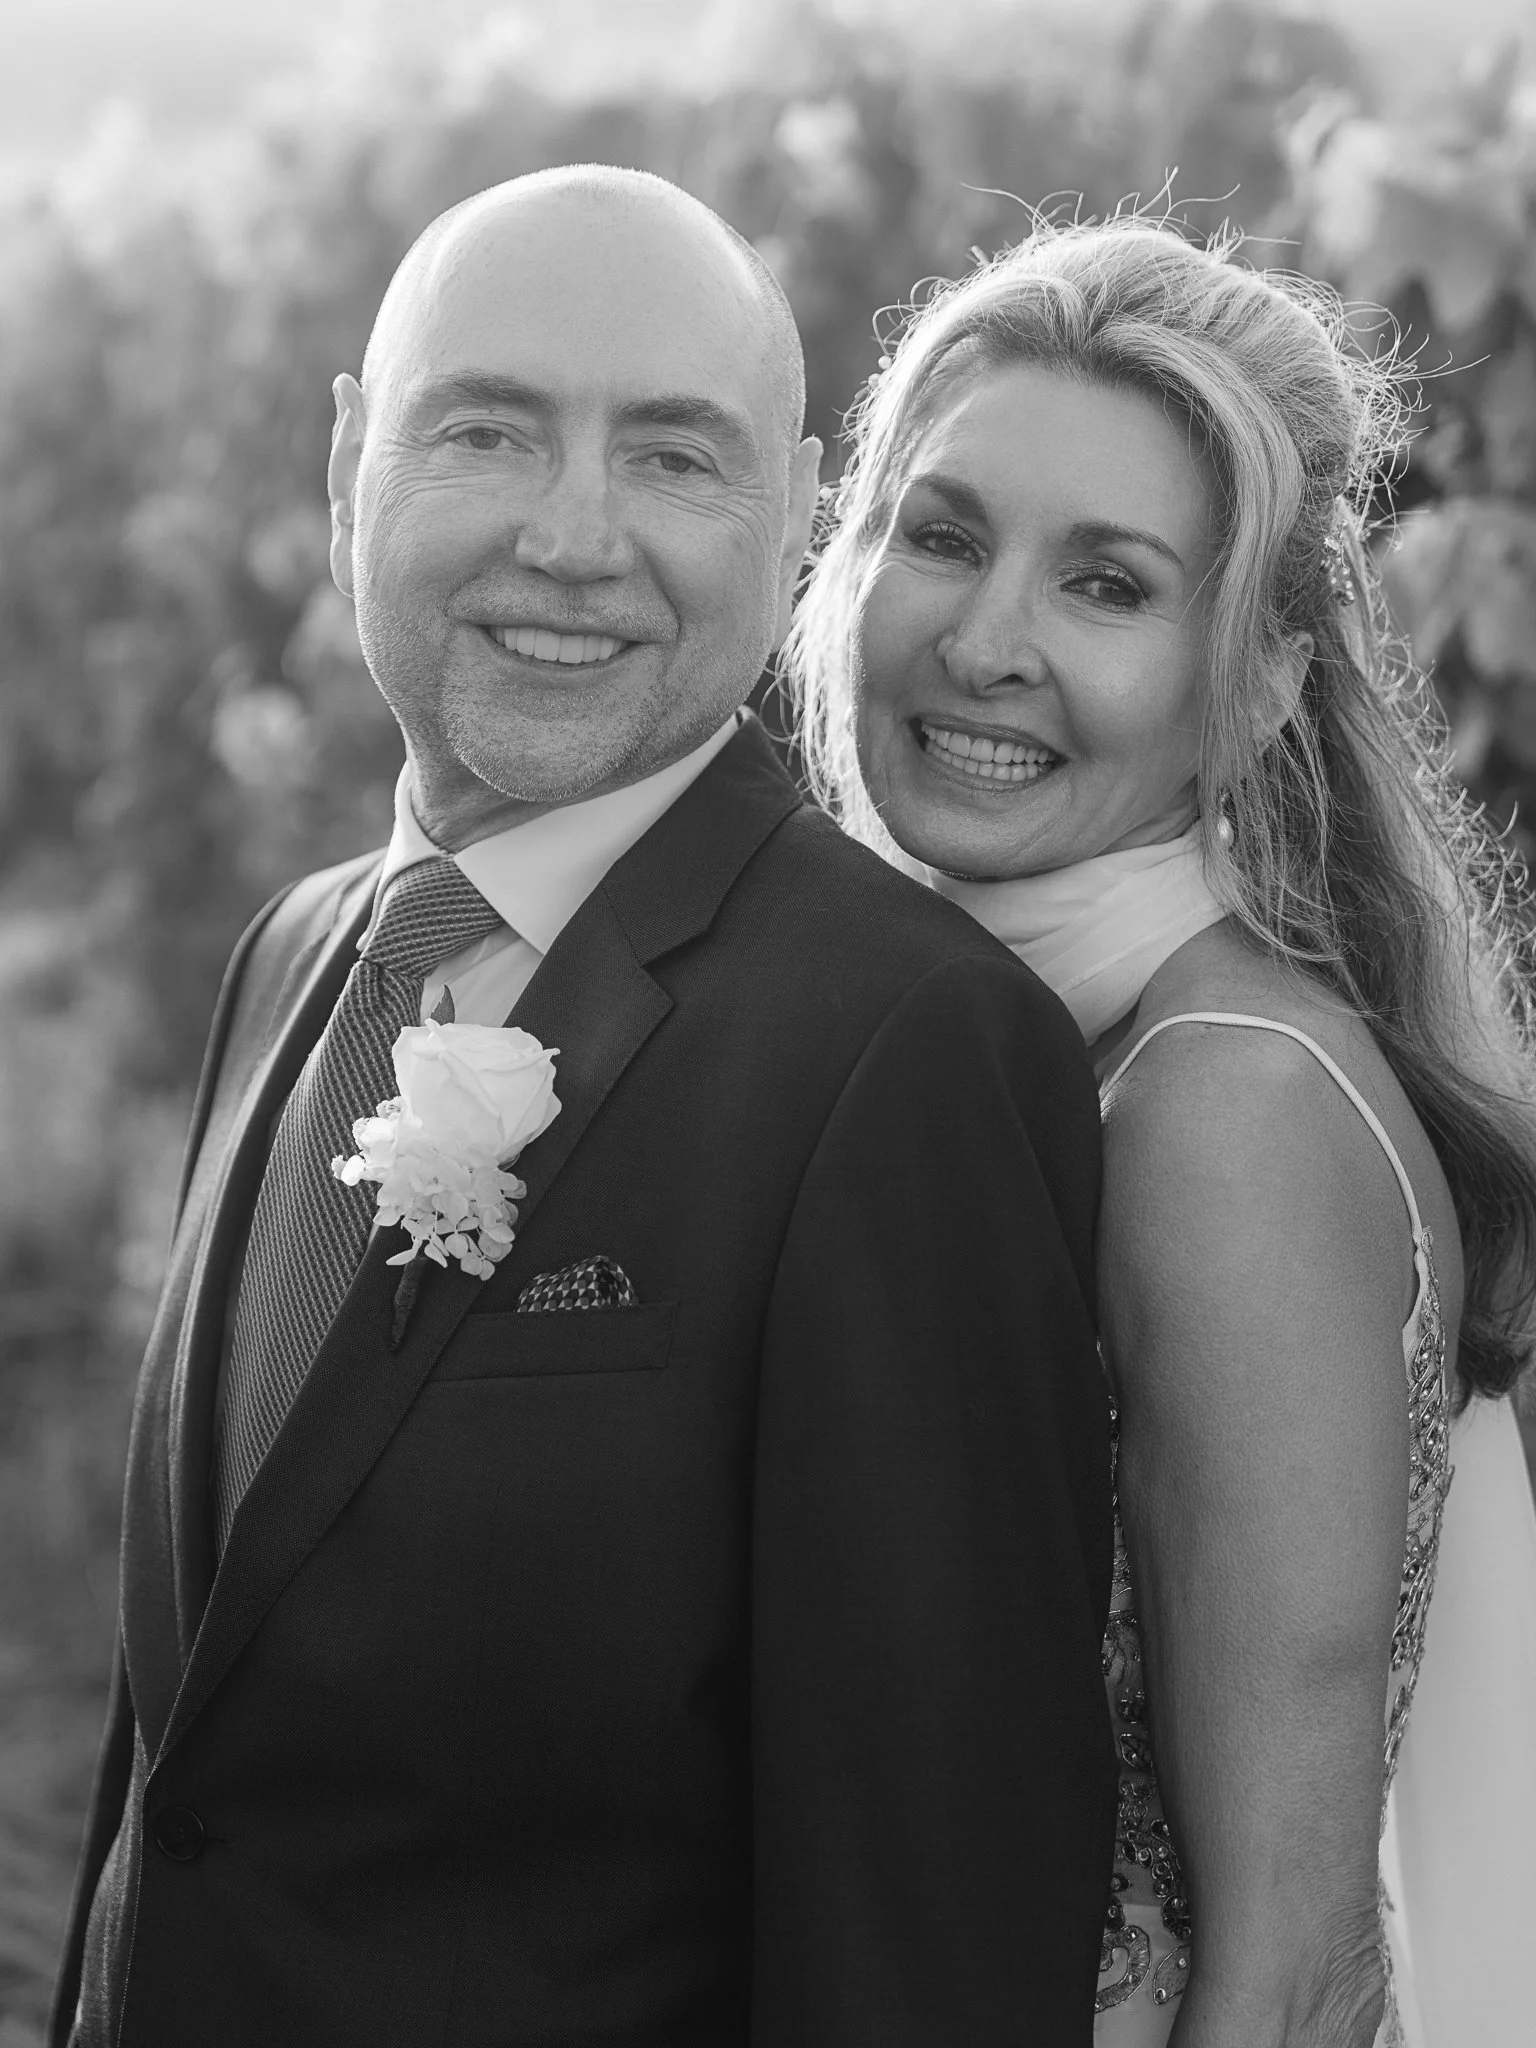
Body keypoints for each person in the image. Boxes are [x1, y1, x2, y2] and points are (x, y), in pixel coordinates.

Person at [51, 167, 1117, 2047]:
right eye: (488, 431)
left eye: (674, 461)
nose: (572, 537)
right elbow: (186, 1769)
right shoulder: (292, 954)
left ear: (792, 521)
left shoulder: (909, 1056)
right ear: (346, 465)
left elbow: (928, 1933)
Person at [787, 216, 1536, 2047]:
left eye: (1105, 585)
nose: (984, 641)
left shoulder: (1224, 1110)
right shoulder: (969, 1044)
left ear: (1261, 678)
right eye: (943, 536)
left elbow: (1292, 1973)